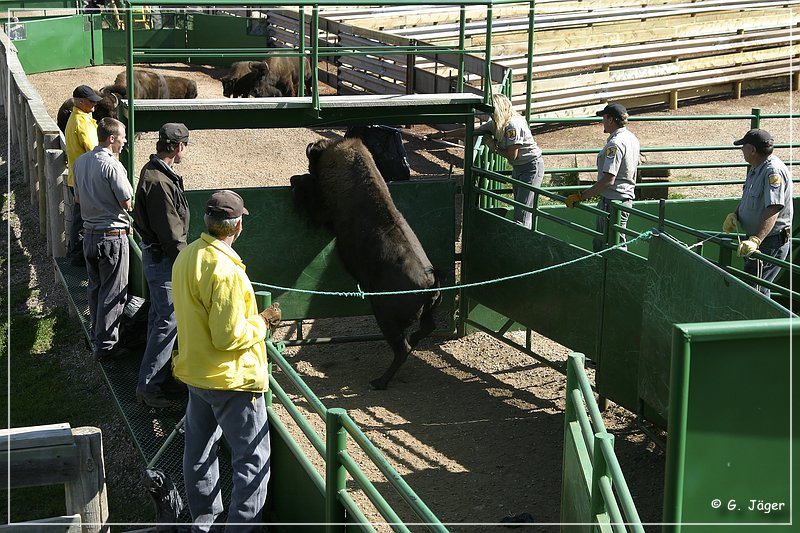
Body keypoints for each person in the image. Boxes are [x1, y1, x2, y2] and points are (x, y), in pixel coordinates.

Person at [172, 190, 277, 531]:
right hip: (232, 382)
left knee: (199, 453)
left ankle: (204, 523)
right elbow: (228, 337)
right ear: (238, 225)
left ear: (208, 222)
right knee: (253, 460)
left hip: (196, 375)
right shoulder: (227, 271)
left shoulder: (187, 256)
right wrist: (263, 322)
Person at [132, 123, 191, 408]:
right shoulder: (158, 181)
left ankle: (159, 377)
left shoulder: (155, 173)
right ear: (178, 147)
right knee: (166, 322)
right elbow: (170, 233)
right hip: (164, 260)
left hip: (159, 258)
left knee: (162, 319)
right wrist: (188, 263)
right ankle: (149, 387)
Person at [431, 94, 544, 229]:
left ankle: (522, 243)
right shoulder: (497, 124)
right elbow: (470, 130)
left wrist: (493, 146)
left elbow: (513, 155)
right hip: (520, 167)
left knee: (522, 212)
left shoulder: (512, 125)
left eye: (491, 111)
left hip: (530, 167)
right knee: (521, 207)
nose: (490, 115)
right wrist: (444, 134)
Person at [72, 117, 132, 360]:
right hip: (112, 237)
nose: (125, 140)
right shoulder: (113, 166)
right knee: (113, 292)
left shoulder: (81, 162)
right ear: (111, 139)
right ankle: (107, 347)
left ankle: (98, 337)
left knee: (95, 288)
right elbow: (127, 202)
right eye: (122, 137)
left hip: (89, 235)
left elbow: (77, 199)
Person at [723, 128, 793, 296]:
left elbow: (774, 207)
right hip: (760, 241)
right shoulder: (757, 167)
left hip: (770, 242)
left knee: (755, 293)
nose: (741, 150)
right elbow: (751, 198)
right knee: (754, 290)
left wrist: (756, 239)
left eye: (744, 146)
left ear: (753, 150)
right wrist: (736, 214)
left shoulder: (772, 171)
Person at [564, 102, 641, 251]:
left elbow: (608, 179)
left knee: (610, 245)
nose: (602, 122)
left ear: (611, 120)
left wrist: (582, 196)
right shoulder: (631, 138)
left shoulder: (615, 144)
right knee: (614, 242)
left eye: (604, 118)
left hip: (612, 201)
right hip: (622, 198)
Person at [65, 85, 102, 266]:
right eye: (91, 101)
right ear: (80, 102)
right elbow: (94, 149)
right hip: (83, 179)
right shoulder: (82, 122)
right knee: (82, 219)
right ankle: (77, 257)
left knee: (80, 217)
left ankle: (75, 253)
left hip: (77, 176)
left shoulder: (76, 118)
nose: (94, 103)